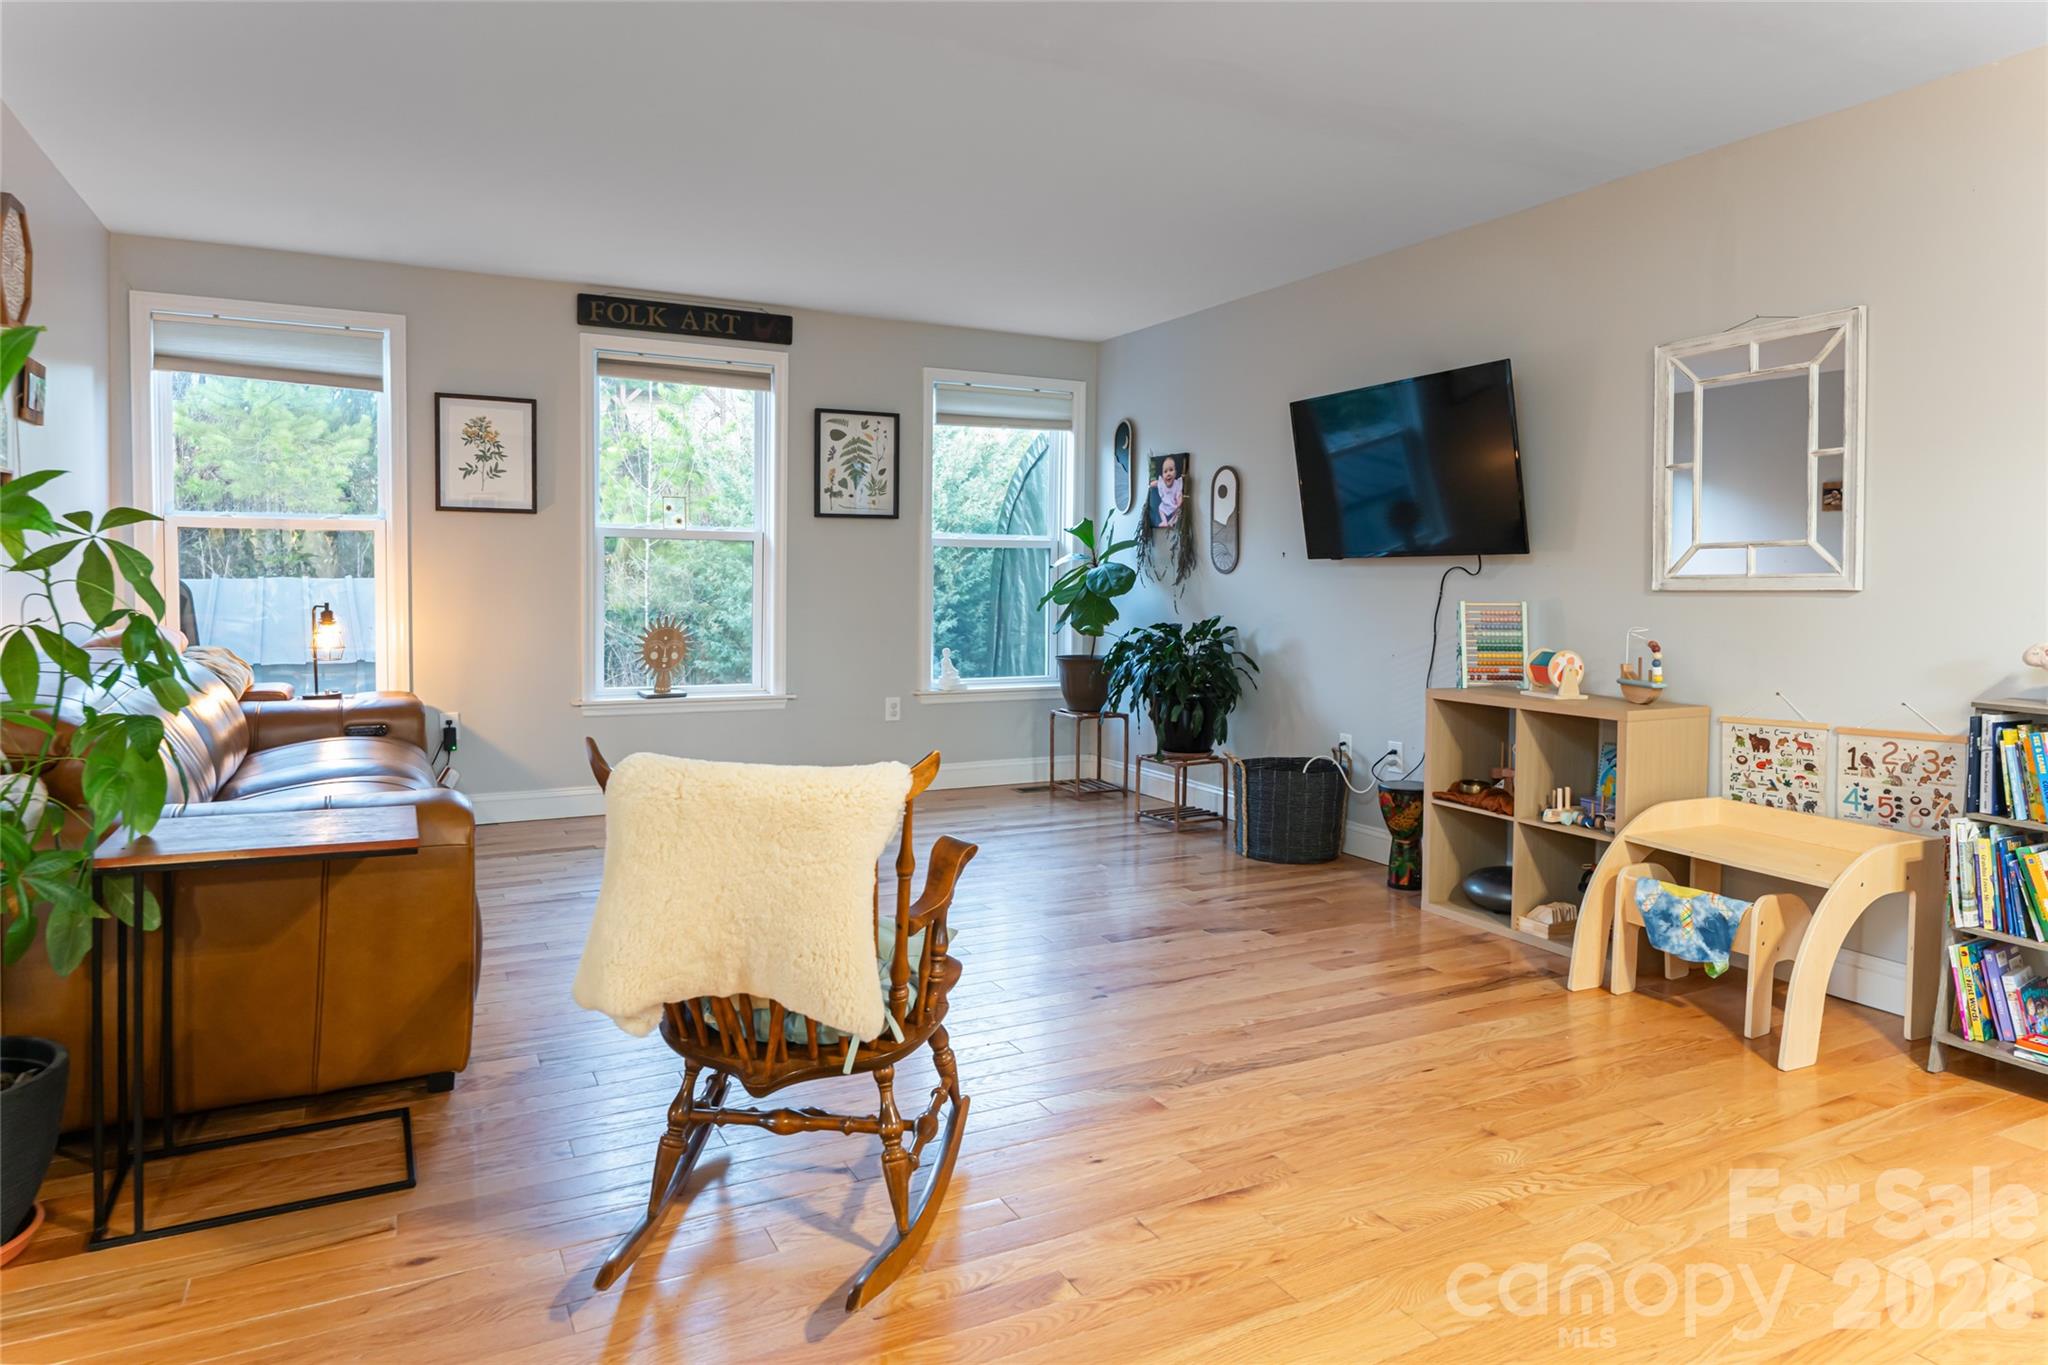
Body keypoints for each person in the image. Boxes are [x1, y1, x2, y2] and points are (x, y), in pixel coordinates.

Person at [1145, 454, 1184, 529]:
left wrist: (1179, 500)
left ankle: (1172, 521)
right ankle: (1164, 521)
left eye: (1171, 470)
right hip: (1165, 504)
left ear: (1175, 473)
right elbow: (1156, 483)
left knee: (1177, 511)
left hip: (1174, 504)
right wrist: (1150, 485)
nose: (1168, 473)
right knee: (1160, 509)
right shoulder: (1162, 483)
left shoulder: (1177, 484)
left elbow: (1179, 494)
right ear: (1162, 475)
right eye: (1165, 471)